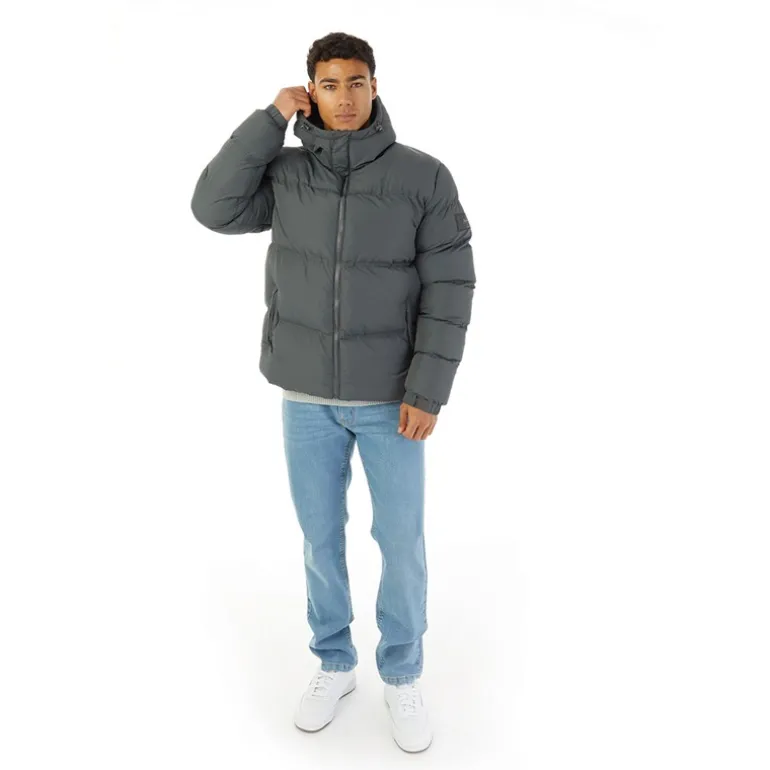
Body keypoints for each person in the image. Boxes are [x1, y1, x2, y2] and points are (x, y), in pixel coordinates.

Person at [190, 31, 475, 753]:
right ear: (309, 93)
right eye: (328, 84)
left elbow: (451, 287)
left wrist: (428, 391)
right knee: (320, 538)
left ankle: (402, 674)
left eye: (356, 82)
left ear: (375, 87)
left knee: (400, 541)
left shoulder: (423, 177)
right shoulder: (286, 175)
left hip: (391, 401)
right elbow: (212, 207)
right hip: (306, 396)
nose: (344, 97)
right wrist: (268, 119)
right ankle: (335, 662)